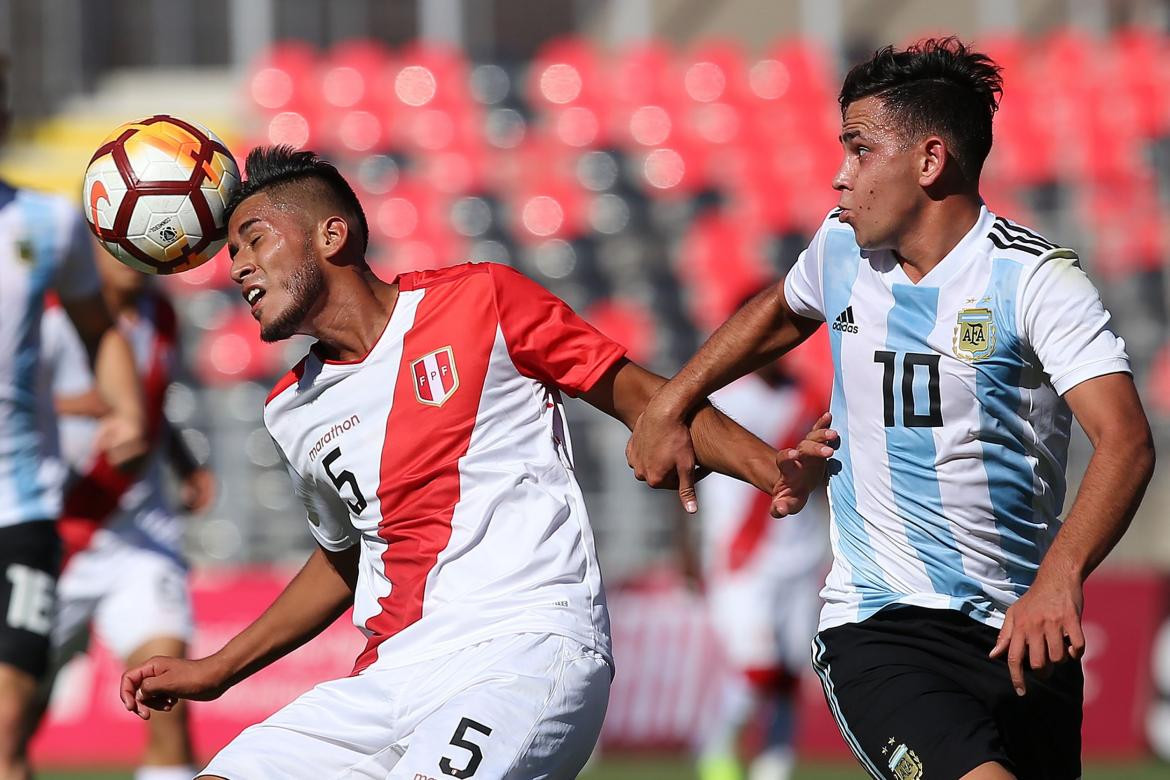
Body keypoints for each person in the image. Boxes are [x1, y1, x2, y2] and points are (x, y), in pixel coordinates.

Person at [118, 145, 818, 780]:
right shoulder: (291, 411)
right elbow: (345, 556)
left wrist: (768, 468)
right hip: (385, 681)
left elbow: (644, 397)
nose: (237, 266)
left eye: (255, 240)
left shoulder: (481, 301)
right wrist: (217, 671)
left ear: (334, 235)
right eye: (232, 250)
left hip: (523, 653)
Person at [627, 37, 1155, 780]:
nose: (840, 176)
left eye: (861, 150)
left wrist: (1059, 578)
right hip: (883, 626)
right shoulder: (841, 249)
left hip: (1023, 630)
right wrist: (675, 400)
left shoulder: (1033, 281)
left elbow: (1126, 441)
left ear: (929, 161)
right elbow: (781, 311)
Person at [0, 58, 146, 779]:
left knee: (3, 733)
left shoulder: (47, 223)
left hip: (18, 510)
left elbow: (100, 330)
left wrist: (127, 410)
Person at [40, 244, 213, 780]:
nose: (128, 257)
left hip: (140, 539)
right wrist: (86, 405)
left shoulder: (160, 315)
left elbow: (154, 406)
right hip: (55, 541)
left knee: (167, 694)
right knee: (13, 720)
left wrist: (184, 464)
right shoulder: (45, 316)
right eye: (115, 242)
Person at [686, 354, 829, 780]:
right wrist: (687, 545)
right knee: (757, 668)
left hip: (802, 558)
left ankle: (774, 768)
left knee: (788, 675)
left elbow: (822, 477)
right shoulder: (724, 403)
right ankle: (714, 746)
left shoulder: (807, 400)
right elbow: (689, 469)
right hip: (742, 560)